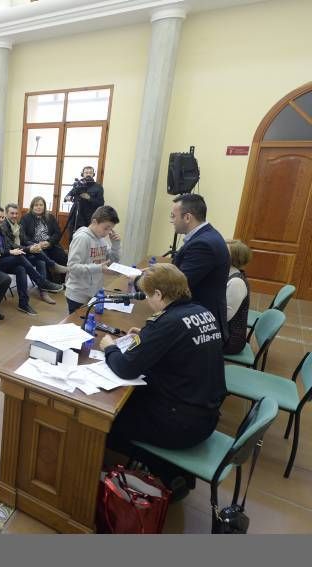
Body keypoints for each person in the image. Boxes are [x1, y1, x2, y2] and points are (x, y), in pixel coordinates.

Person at [100, 263, 226, 492]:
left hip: (181, 425)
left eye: (148, 295)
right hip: (206, 413)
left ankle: (164, 471)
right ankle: (168, 470)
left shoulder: (167, 322)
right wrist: (149, 340)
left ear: (159, 294)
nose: (147, 301)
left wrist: (109, 347)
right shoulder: (202, 312)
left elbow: (125, 368)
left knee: (105, 419)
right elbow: (180, 347)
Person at [168, 193, 230, 341]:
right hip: (198, 313)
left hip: (200, 323)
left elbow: (179, 284)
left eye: (173, 216)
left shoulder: (203, 244)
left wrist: (141, 281)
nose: (172, 221)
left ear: (187, 217)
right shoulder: (206, 235)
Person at [0, 206, 64, 314]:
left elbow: (11, 244)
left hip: (4, 259)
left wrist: (27, 248)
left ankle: (23, 303)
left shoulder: (0, 229)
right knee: (19, 257)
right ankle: (42, 282)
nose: (1, 219)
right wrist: (10, 252)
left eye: (2, 217)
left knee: (21, 268)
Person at [65, 205, 121, 313]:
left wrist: (116, 245)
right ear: (95, 222)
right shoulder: (82, 238)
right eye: (106, 228)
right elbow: (72, 267)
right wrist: (99, 268)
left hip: (94, 292)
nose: (108, 232)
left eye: (110, 229)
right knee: (77, 326)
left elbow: (113, 262)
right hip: (78, 294)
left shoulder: (101, 240)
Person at [224, 239, 252, 355]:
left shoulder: (236, 282)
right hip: (225, 332)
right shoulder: (227, 273)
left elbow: (224, 317)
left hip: (231, 340)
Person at [64, 166, 104, 240]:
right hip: (75, 216)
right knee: (72, 238)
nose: (88, 174)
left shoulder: (98, 187)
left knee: (86, 239)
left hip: (89, 218)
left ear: (93, 174)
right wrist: (71, 198)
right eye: (86, 172)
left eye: (90, 172)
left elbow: (101, 203)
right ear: (82, 174)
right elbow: (66, 197)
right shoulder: (78, 185)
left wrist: (89, 198)